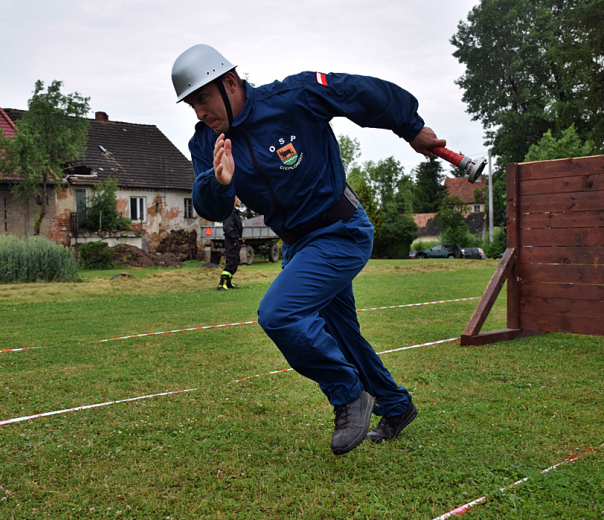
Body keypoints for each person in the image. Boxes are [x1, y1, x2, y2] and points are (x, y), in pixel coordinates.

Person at [173, 44, 445, 455]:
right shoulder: (207, 142)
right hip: (300, 245)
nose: (199, 112)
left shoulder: (293, 97)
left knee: (279, 314)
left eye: (203, 100)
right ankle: (396, 405)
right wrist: (219, 182)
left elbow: (361, 93)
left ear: (229, 83)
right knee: (341, 333)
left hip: (341, 230)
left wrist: (410, 126)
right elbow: (209, 205)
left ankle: (349, 395)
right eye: (191, 105)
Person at [218, 196, 243, 291]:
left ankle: (228, 283)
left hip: (235, 240)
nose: (240, 200)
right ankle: (222, 284)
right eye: (238, 199)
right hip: (231, 241)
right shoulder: (230, 212)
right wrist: (233, 240)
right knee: (231, 262)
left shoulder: (234, 212)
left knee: (234, 263)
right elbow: (228, 228)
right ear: (234, 200)